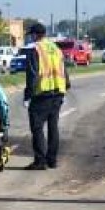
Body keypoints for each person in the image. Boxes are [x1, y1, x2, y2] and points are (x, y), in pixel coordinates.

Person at [23, 24, 70, 169]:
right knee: (53, 127)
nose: (31, 37)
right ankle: (52, 160)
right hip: (58, 92)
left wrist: (27, 95)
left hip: (42, 94)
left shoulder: (35, 49)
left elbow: (32, 74)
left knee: (37, 128)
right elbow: (64, 70)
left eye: (32, 35)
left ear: (36, 34)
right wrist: (66, 86)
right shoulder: (56, 49)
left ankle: (40, 161)